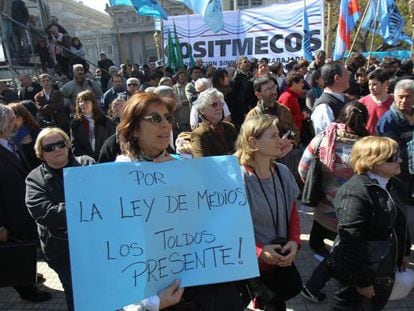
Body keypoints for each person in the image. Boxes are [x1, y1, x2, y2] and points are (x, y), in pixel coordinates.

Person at [116, 92, 244, 310]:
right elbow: (119, 255)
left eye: (168, 118)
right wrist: (151, 304)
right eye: (155, 119)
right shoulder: (118, 178)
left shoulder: (184, 165)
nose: (165, 124)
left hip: (202, 282)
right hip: (156, 294)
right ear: (134, 129)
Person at [298, 101, 370, 302]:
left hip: (325, 207)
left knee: (342, 246)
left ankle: (318, 284)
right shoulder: (368, 145)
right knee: (343, 248)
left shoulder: (323, 138)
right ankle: (315, 286)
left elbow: (303, 168)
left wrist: (323, 191)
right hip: (355, 211)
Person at [330, 136, 411, 310]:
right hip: (361, 272)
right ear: (373, 162)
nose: (400, 160)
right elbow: (351, 241)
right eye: (393, 157)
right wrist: (363, 281)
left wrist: (404, 251)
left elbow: (400, 222)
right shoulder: (355, 192)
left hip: (382, 267)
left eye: (398, 155)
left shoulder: (391, 184)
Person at [235, 115, 302, 311]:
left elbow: (292, 212)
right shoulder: (238, 179)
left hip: (280, 261)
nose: (280, 141)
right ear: (253, 142)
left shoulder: (282, 171)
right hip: (252, 268)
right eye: (273, 136)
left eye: (278, 135)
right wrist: (258, 252)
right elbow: (231, 229)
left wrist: (294, 242)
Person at [25, 127, 95, 311]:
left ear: (68, 145)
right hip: (62, 250)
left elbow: (105, 195)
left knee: (103, 290)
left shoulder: (88, 164)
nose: (56, 149)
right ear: (41, 153)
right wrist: (85, 205)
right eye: (49, 148)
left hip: (94, 245)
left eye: (60, 144)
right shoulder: (34, 179)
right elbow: (44, 213)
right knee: (76, 295)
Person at [0, 104, 51, 303]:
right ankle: (27, 290)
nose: (16, 122)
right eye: (12, 119)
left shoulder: (11, 143)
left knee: (26, 245)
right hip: (9, 214)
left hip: (20, 211)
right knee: (17, 250)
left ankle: (29, 274)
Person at [377, 79, 414, 201]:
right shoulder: (389, 120)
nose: (403, 101)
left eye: (408, 97)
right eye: (400, 97)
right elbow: (389, 152)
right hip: (400, 173)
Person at [190, 88, 238, 157]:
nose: (219, 108)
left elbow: (242, 151)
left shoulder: (229, 127)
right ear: (202, 110)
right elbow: (204, 162)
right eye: (214, 105)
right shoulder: (199, 134)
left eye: (221, 104)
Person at [70, 90, 115, 160]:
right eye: (80, 102)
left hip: (105, 159)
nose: (83, 104)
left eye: (86, 101)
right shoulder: (75, 123)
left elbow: (112, 141)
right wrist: (84, 159)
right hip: (85, 162)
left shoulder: (105, 120)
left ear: (93, 103)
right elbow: (75, 145)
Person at [311, 61, 351, 135]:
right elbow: (326, 139)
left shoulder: (345, 99)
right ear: (337, 78)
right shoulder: (324, 107)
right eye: (345, 72)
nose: (349, 74)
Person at [359, 68, 393, 135]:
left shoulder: (395, 103)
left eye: (374, 84)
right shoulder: (362, 102)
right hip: (367, 141)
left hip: (387, 142)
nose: (371, 88)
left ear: (386, 84)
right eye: (369, 84)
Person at [9, 102, 42, 170]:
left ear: (24, 117)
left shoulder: (40, 134)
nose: (13, 121)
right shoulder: (9, 140)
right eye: (9, 119)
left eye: (15, 117)